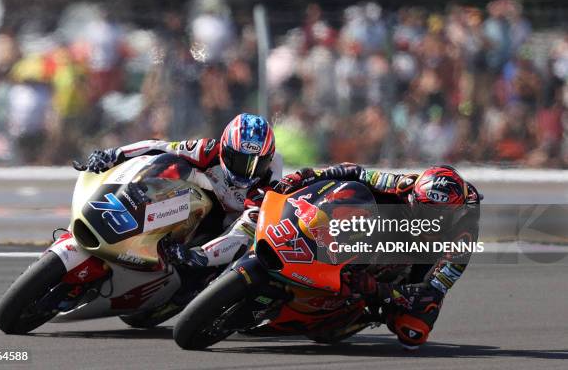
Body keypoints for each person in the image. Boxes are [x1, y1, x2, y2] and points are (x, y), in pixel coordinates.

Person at [274, 163, 481, 350]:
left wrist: (378, 289)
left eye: (441, 216)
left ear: (457, 212)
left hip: (423, 261)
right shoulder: (405, 185)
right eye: (425, 213)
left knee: (413, 331)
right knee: (354, 198)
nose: (431, 221)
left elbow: (433, 290)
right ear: (413, 199)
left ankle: (367, 310)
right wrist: (306, 175)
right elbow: (357, 173)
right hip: (392, 230)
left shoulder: (464, 236)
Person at [82, 113, 282, 269]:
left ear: (269, 159)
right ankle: (134, 213)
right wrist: (113, 155)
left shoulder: (268, 186)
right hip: (203, 200)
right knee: (173, 165)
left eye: (257, 164)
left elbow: (243, 233)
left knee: (247, 246)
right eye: (239, 161)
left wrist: (198, 255)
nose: (246, 171)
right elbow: (160, 148)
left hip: (228, 224)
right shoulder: (208, 149)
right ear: (225, 150)